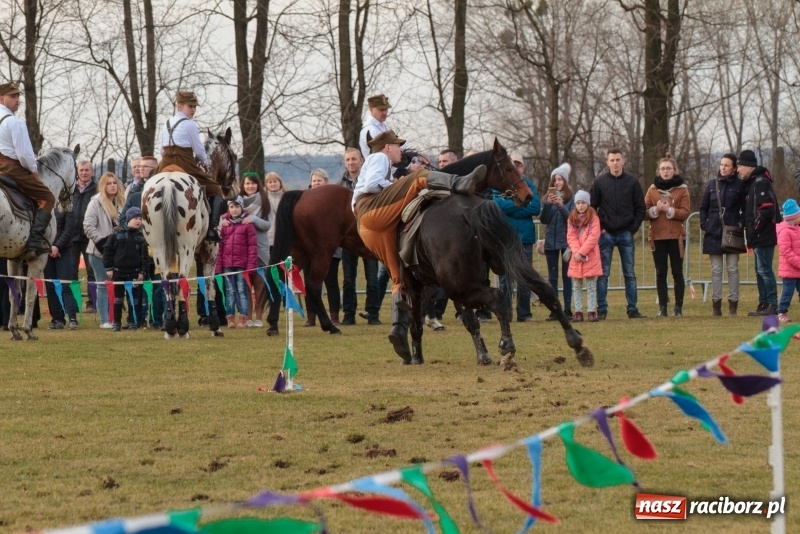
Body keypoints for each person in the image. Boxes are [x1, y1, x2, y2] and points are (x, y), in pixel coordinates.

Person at [352, 130, 486, 349]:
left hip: (369, 227)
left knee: (399, 278)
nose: (400, 150)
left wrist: (398, 181)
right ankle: (460, 183)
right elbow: (372, 184)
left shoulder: (380, 161)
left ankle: (399, 332)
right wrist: (402, 184)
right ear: (387, 147)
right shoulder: (379, 157)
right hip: (371, 210)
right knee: (419, 178)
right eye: (397, 146)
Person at [157, 90, 224, 242]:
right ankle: (212, 230)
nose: (193, 110)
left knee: (148, 185)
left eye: (195, 106)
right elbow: (199, 151)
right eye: (190, 106)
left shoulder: (166, 123)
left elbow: (161, 149)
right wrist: (205, 162)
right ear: (180, 106)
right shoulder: (190, 125)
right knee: (216, 189)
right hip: (185, 161)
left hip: (166, 161)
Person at [590, 148, 646, 319]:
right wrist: (600, 229)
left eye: (618, 160)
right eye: (612, 160)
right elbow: (592, 207)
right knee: (603, 274)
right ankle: (602, 310)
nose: (615, 163)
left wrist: (632, 229)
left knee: (629, 273)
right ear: (607, 162)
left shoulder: (633, 182)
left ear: (624, 161)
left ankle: (632, 308)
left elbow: (640, 208)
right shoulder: (599, 182)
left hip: (625, 234)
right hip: (606, 234)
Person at [0, 82, 54, 253]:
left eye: (18, 96)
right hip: (13, 169)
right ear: (1, 98)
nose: (17, 100)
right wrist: (33, 169)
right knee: (48, 197)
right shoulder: (14, 122)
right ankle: (35, 240)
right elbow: (24, 155)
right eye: (13, 96)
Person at [491, 152, 540, 322]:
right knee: (505, 278)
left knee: (525, 277)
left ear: (523, 167)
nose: (516, 167)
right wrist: (521, 204)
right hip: (505, 238)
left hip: (525, 237)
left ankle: (524, 313)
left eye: (519, 165)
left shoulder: (529, 185)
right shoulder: (500, 186)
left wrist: (513, 207)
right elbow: (497, 205)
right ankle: (506, 313)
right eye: (513, 165)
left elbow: (535, 207)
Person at [698, 153, 746, 316]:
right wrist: (705, 224)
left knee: (733, 269)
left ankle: (733, 305)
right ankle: (716, 306)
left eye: (727, 165)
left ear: (733, 168)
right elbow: (703, 207)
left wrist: (740, 223)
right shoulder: (712, 184)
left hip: (732, 232)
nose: (723, 167)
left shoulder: (740, 185)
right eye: (721, 164)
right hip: (713, 232)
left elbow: (745, 209)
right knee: (716, 270)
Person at [644, 153, 691, 317]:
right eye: (663, 169)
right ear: (659, 171)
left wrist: (669, 210)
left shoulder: (682, 189)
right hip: (657, 237)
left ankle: (678, 307)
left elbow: (685, 212)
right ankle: (662, 307)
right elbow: (644, 212)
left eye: (668, 168)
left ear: (674, 170)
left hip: (677, 237)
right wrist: (656, 209)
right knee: (660, 272)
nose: (665, 171)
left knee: (677, 272)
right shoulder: (652, 189)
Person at [120, 155, 164, 328]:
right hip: (137, 247)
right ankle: (136, 320)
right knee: (137, 285)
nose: (141, 169)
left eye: (145, 166)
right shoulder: (134, 196)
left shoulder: (164, 194)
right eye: (139, 166)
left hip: (158, 247)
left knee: (159, 285)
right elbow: (123, 220)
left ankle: (158, 320)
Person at [339, 147, 381, 325]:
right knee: (349, 279)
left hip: (368, 236)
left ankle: (373, 314)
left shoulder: (368, 181)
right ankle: (349, 314)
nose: (351, 162)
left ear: (361, 160)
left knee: (372, 279)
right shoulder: (340, 186)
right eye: (348, 160)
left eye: (354, 159)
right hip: (348, 238)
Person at [739, 149, 780, 316]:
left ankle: (772, 303)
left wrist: (754, 229)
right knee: (759, 270)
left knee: (765, 270)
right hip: (758, 236)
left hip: (764, 235)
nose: (738, 170)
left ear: (749, 166)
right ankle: (763, 303)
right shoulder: (753, 183)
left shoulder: (761, 183)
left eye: (740, 166)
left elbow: (766, 210)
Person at [83, 172, 125, 328]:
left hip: (119, 251)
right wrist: (102, 242)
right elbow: (88, 226)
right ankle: (104, 320)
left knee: (118, 285)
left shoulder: (122, 201)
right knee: (103, 284)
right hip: (99, 251)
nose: (112, 185)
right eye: (109, 183)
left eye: (114, 182)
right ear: (103, 185)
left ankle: (116, 318)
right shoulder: (96, 202)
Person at [304, 168, 342, 326]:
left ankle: (334, 317)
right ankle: (311, 317)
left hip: (330, 249)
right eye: (314, 181)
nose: (316, 183)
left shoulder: (335, 200)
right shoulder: (304, 200)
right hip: (309, 249)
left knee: (331, 282)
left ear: (326, 182)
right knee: (310, 282)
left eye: (319, 180)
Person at [103, 207, 149, 332]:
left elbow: (144, 257)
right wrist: (109, 268)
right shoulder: (117, 234)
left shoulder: (141, 237)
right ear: (128, 219)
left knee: (133, 299)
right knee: (118, 299)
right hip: (118, 272)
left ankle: (132, 321)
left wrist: (142, 271)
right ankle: (116, 322)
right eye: (135, 218)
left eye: (140, 218)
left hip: (134, 272)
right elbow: (107, 251)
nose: (138, 221)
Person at [216, 196, 258, 328]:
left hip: (242, 264)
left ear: (241, 207)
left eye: (237, 206)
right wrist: (218, 266)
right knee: (229, 291)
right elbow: (219, 248)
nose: (234, 210)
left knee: (242, 290)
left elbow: (252, 247)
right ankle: (230, 318)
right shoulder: (224, 225)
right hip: (227, 264)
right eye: (232, 207)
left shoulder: (247, 225)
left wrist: (251, 265)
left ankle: (243, 318)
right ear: (228, 209)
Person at [540, 162, 575, 321]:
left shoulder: (571, 198)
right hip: (551, 242)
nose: (557, 182)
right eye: (555, 180)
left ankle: (567, 309)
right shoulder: (547, 199)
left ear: (565, 181)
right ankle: (555, 309)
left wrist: (561, 206)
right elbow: (544, 219)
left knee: (567, 276)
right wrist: (547, 205)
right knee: (552, 277)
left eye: (560, 179)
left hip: (567, 241)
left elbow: (572, 219)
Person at [238, 172, 271, 327]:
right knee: (246, 285)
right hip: (242, 249)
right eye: (247, 184)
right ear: (242, 186)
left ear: (258, 185)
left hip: (260, 248)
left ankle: (259, 317)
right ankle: (248, 317)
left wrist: (253, 219)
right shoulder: (237, 202)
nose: (250, 186)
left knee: (259, 284)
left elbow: (267, 225)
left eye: (253, 183)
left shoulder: (264, 201)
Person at [566, 191, 602, 322]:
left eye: (583, 203)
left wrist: (582, 252)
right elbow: (571, 236)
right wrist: (577, 252)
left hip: (590, 256)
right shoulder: (571, 218)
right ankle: (578, 311)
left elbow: (593, 237)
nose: (580, 206)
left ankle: (592, 310)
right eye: (578, 203)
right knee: (576, 285)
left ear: (588, 203)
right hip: (576, 258)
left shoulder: (594, 218)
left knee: (591, 285)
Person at [44, 205, 80, 330]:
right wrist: (49, 247)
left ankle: (72, 318)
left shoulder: (67, 206)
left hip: (64, 251)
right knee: (50, 286)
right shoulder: (43, 204)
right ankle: (57, 319)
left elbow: (69, 229)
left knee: (66, 285)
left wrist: (57, 246)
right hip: (46, 250)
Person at [72, 160, 98, 312]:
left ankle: (92, 303)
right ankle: (73, 304)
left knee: (92, 271)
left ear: (92, 172)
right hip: (72, 237)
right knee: (71, 272)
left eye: (87, 170)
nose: (84, 173)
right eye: (81, 170)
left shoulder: (96, 190)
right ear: (77, 171)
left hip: (90, 237)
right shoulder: (70, 189)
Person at [264, 171, 286, 336]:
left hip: (284, 242)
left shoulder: (286, 197)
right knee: (270, 278)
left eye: (275, 181)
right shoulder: (263, 199)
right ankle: (271, 312)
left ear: (280, 182)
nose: (272, 184)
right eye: (269, 182)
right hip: (269, 242)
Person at [776, 199, 800, 324]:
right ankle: (782, 311)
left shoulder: (797, 229)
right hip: (789, 270)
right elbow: (787, 252)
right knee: (787, 292)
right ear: (793, 217)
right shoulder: (784, 232)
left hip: (798, 269)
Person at [359, 94, 393, 160]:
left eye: (386, 109)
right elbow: (387, 153)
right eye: (381, 109)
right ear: (371, 109)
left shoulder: (384, 126)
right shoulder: (370, 129)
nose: (384, 113)